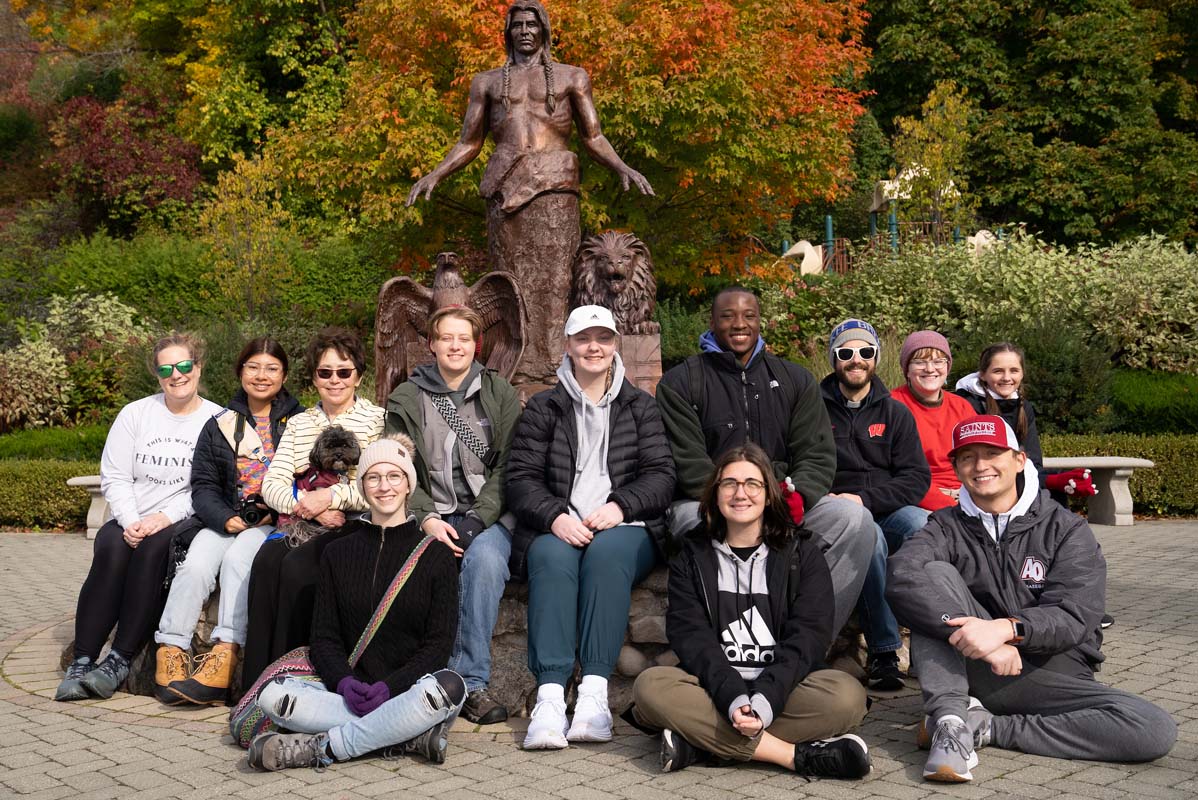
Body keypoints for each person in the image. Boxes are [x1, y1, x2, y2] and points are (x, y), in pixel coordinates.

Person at [886, 415, 1177, 782]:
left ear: (1019, 459)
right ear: (957, 468)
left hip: (1049, 674)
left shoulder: (1066, 528)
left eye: (993, 453)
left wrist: (1008, 630)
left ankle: (986, 728)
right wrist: (985, 641)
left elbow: (1075, 615)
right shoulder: (945, 525)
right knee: (931, 577)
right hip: (976, 664)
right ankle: (950, 721)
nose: (981, 466)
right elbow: (901, 574)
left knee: (1152, 728)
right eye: (967, 457)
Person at [405, 0, 652, 384]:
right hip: (506, 189)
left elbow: (594, 135)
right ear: (508, 32)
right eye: (517, 24)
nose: (524, 31)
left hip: (555, 186)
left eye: (531, 25)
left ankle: (556, 365)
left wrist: (621, 166)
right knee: (512, 281)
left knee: (555, 281)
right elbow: (469, 143)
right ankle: (518, 366)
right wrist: (435, 174)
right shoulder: (486, 82)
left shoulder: (573, 77)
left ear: (544, 31)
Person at [629, 444, 871, 779]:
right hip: (713, 691)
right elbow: (691, 636)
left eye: (752, 484)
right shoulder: (693, 557)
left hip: (783, 692)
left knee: (847, 697)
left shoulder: (802, 556)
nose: (740, 493)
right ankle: (791, 755)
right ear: (715, 494)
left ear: (769, 494)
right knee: (650, 686)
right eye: (729, 483)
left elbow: (808, 637)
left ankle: (701, 744)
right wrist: (732, 697)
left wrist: (765, 701)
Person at [655, 286, 874, 634]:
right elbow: (687, 461)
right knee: (684, 521)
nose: (739, 324)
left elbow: (815, 453)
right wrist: (739, 502)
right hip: (710, 505)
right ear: (712, 322)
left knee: (854, 520)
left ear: (760, 323)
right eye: (727, 316)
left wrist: (792, 498)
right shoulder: (679, 383)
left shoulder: (796, 379)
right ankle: (731, 646)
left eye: (749, 315)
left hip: (783, 501)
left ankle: (807, 642)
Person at [505, 305, 675, 749]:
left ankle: (594, 696)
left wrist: (621, 506)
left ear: (615, 345)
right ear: (568, 346)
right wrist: (553, 516)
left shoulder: (640, 406)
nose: (593, 347)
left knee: (605, 556)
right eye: (583, 338)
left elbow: (661, 475)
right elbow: (521, 480)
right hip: (560, 524)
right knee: (548, 558)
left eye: (603, 338)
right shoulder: (544, 407)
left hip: (625, 526)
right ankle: (549, 699)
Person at [247, 436, 465, 771]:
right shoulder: (337, 552)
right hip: (345, 697)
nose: (384, 487)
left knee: (450, 687)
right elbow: (324, 638)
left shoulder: (435, 556)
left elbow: (437, 646)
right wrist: (345, 682)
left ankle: (326, 748)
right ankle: (405, 737)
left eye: (395, 476)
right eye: (374, 478)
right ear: (362, 486)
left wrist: (389, 687)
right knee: (271, 695)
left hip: (405, 693)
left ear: (409, 485)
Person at [56, 333, 221, 701]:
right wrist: (130, 520)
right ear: (157, 374)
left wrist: (162, 518)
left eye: (183, 366)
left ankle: (119, 660)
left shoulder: (215, 419)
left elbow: (205, 486)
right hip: (130, 517)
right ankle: (82, 659)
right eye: (166, 368)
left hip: (179, 520)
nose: (176, 375)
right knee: (112, 549)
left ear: (198, 366)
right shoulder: (135, 414)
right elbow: (115, 474)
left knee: (151, 553)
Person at [385, 306, 521, 725]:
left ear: (475, 344)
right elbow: (398, 466)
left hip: (491, 517)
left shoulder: (500, 394)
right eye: (447, 338)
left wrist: (477, 521)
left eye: (464, 338)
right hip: (430, 514)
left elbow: (510, 466)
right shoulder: (407, 398)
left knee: (484, 562)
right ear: (433, 344)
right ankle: (415, 681)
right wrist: (426, 517)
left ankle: (470, 683)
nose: (456, 345)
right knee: (424, 565)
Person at [151, 337, 304, 705]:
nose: (261, 376)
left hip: (274, 521)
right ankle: (171, 649)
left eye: (271, 368)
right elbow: (202, 486)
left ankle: (224, 653)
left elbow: (308, 478)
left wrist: (276, 508)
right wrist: (226, 519)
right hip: (225, 520)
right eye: (253, 367)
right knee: (196, 565)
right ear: (240, 372)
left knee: (239, 561)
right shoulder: (218, 424)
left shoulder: (301, 422)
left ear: (284, 376)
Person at [242, 328, 385, 686]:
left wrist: (332, 498)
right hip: (303, 519)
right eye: (325, 372)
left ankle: (295, 680)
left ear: (358, 377)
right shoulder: (301, 423)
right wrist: (308, 505)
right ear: (314, 378)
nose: (334, 380)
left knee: (295, 568)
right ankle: (256, 685)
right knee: (265, 564)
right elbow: (273, 484)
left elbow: (379, 485)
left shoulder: (376, 420)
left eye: (344, 371)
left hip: (354, 522)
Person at [820, 319, 930, 690]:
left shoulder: (895, 413)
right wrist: (841, 502)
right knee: (869, 538)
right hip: (840, 515)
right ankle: (884, 653)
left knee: (925, 525)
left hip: (888, 509)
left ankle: (933, 647)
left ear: (876, 358)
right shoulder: (812, 410)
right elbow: (800, 465)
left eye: (865, 352)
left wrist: (866, 499)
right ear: (833, 358)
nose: (856, 359)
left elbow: (916, 478)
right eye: (846, 352)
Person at [955, 342, 1097, 498]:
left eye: (1014, 371)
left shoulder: (1024, 407)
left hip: (1015, 477)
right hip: (984, 479)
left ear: (1022, 373)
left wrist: (1055, 480)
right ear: (983, 374)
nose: (1007, 378)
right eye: (998, 371)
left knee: (1054, 495)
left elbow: (1033, 461)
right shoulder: (967, 404)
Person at [889, 330, 976, 512]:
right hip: (917, 500)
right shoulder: (891, 406)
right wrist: (950, 508)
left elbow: (977, 459)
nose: (930, 369)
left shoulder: (962, 407)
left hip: (966, 496)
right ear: (907, 369)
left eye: (938, 361)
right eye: (920, 362)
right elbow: (899, 473)